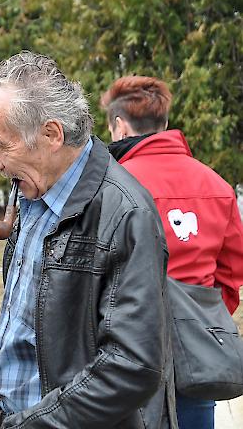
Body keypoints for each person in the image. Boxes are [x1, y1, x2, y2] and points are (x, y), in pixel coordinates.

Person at [0, 51, 176, 428]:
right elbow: (21, 331)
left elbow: (132, 366)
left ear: (51, 134)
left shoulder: (125, 212)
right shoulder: (31, 194)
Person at [101, 75, 243, 429]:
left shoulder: (111, 185)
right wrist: (196, 319)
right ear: (163, 124)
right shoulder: (217, 185)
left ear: (119, 127)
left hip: (124, 353)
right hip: (195, 356)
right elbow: (231, 276)